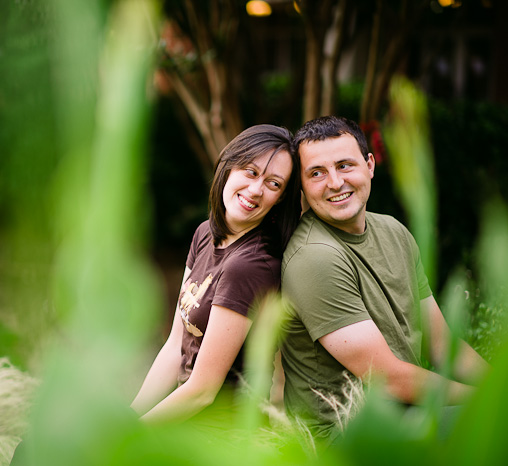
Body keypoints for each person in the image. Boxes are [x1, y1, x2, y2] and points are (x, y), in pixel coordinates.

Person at [280, 115, 489, 442]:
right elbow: (388, 379)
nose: (335, 183)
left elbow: (442, 345)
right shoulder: (314, 257)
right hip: (347, 435)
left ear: (370, 165)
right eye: (317, 173)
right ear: (303, 187)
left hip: (407, 414)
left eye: (345, 165)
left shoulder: (393, 231)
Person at [131, 124, 302, 424]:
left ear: (280, 199)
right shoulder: (205, 233)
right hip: (186, 415)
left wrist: (123, 440)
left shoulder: (250, 265)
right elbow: (175, 346)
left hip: (222, 433)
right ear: (228, 167)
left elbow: (203, 391)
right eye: (250, 171)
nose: (255, 190)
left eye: (273, 184)